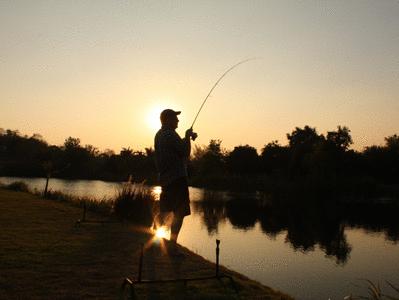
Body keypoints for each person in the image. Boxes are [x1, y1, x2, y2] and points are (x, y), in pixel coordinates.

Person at [154, 109, 197, 254]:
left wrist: (186, 138)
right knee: (180, 212)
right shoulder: (170, 134)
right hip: (177, 178)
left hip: (166, 179)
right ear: (167, 120)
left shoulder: (159, 134)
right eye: (175, 118)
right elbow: (185, 152)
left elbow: (178, 150)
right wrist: (187, 136)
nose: (178, 121)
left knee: (165, 210)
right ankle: (172, 246)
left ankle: (154, 237)